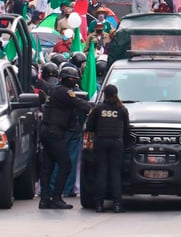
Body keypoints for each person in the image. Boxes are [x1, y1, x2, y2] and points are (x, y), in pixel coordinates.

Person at [39, 66, 93, 209]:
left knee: (48, 166)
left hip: (46, 131)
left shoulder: (54, 90)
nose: (75, 83)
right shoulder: (65, 92)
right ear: (69, 79)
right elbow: (80, 104)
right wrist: (94, 109)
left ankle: (45, 199)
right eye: (74, 80)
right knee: (65, 165)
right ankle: (57, 198)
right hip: (54, 133)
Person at [84, 84, 129, 213]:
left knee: (101, 173)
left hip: (101, 142)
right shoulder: (122, 109)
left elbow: (90, 126)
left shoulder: (98, 109)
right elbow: (127, 128)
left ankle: (99, 204)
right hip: (116, 142)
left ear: (104, 94)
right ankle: (117, 205)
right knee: (115, 174)